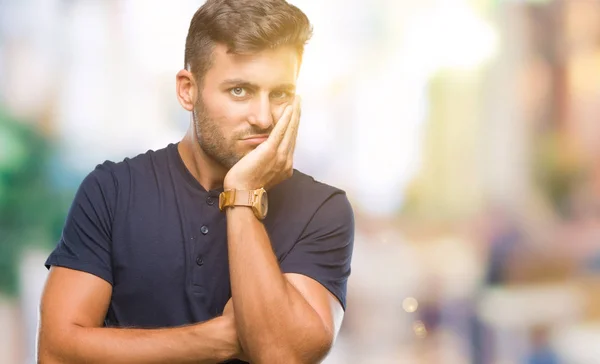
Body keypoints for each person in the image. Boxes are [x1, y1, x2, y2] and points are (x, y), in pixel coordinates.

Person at [37, 0, 354, 363]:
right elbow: (56, 354)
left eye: (280, 94)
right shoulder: (112, 190)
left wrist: (243, 195)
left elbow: (280, 355)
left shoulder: (322, 210)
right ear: (188, 90)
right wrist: (218, 339)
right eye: (240, 91)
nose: (264, 118)